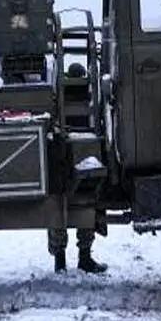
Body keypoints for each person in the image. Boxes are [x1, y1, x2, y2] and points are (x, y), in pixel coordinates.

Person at [49, 61, 107, 274]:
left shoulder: (58, 98)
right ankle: (84, 258)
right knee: (86, 204)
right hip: (86, 153)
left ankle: (60, 261)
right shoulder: (89, 97)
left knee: (58, 207)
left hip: (62, 157)